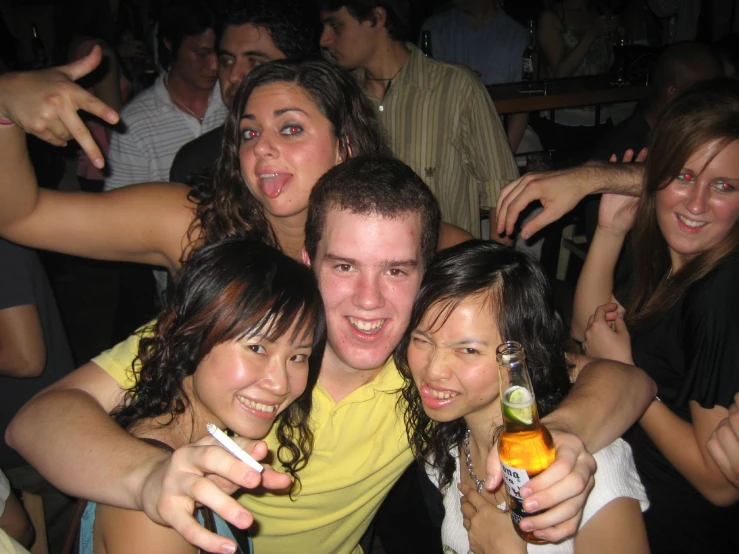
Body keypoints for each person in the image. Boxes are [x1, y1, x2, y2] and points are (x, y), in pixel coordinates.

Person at [2, 57, 652, 554]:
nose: (369, 299)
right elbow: (43, 417)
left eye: (396, 270)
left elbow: (612, 375)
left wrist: (557, 439)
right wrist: (147, 478)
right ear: (308, 263)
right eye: (343, 266)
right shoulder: (252, 318)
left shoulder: (428, 346)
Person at [74, 237, 325, 554]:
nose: (281, 384)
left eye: (298, 357)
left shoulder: (187, 449)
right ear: (193, 337)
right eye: (257, 348)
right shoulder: (155, 514)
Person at [397, 240, 650, 553]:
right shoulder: (447, 444)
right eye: (422, 340)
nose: (434, 371)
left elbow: (631, 379)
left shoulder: (588, 469)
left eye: (469, 350)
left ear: (521, 356)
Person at [572, 78, 739, 552]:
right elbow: (589, 331)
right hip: (631, 492)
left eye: (723, 186)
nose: (697, 204)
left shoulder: (718, 293)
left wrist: (630, 375)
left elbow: (719, 483)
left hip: (677, 526)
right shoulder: (675, 258)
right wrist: (610, 230)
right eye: (684, 177)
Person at [319, 0, 519, 241]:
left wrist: (492, 275)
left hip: (443, 273)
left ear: (376, 18)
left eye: (336, 26)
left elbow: (503, 193)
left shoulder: (455, 88)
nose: (325, 39)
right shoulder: (340, 97)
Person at [170, 0, 321, 184]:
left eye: (255, 63)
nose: (234, 76)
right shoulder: (196, 163)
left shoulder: (328, 146)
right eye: (227, 61)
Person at [104, 0, 227, 191]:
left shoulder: (237, 101)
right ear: (170, 43)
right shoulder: (135, 123)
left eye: (221, 54)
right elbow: (121, 211)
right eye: (202, 53)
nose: (214, 65)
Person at [420, 0, 530, 153]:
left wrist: (504, 156)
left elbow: (523, 104)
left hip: (500, 134)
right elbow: (425, 95)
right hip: (446, 135)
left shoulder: (517, 35)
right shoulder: (434, 28)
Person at [536, 0, 618, 152]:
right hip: (563, 118)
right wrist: (591, 34)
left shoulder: (600, 12)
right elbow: (560, 74)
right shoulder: (552, 16)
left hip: (601, 115)